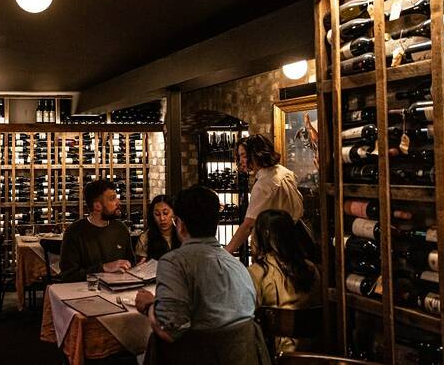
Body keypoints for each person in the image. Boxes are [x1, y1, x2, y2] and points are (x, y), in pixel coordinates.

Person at [135, 185, 270, 365]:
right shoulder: (237, 266)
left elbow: (169, 329)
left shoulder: (173, 262)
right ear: (216, 223)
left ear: (180, 224)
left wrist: (149, 306)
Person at [248, 209, 321, 353]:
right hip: (311, 353)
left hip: (275, 354)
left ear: (266, 234)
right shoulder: (310, 268)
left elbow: (249, 319)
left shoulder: (258, 272)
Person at [225, 134, 304, 254]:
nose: (241, 161)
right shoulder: (284, 172)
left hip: (279, 248)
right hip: (298, 240)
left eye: (244, 156)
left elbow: (248, 226)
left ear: (256, 155)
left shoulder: (264, 184)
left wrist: (225, 253)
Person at [59, 180, 135, 282]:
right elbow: (68, 276)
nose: (118, 202)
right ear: (97, 206)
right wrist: (103, 268)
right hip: (85, 293)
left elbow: (131, 264)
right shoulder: (74, 232)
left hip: (119, 290)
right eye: (112, 199)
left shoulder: (120, 228)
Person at [135, 195, 181, 262]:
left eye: (165, 213)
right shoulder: (145, 238)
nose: (162, 218)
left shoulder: (182, 234)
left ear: (174, 215)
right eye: (157, 214)